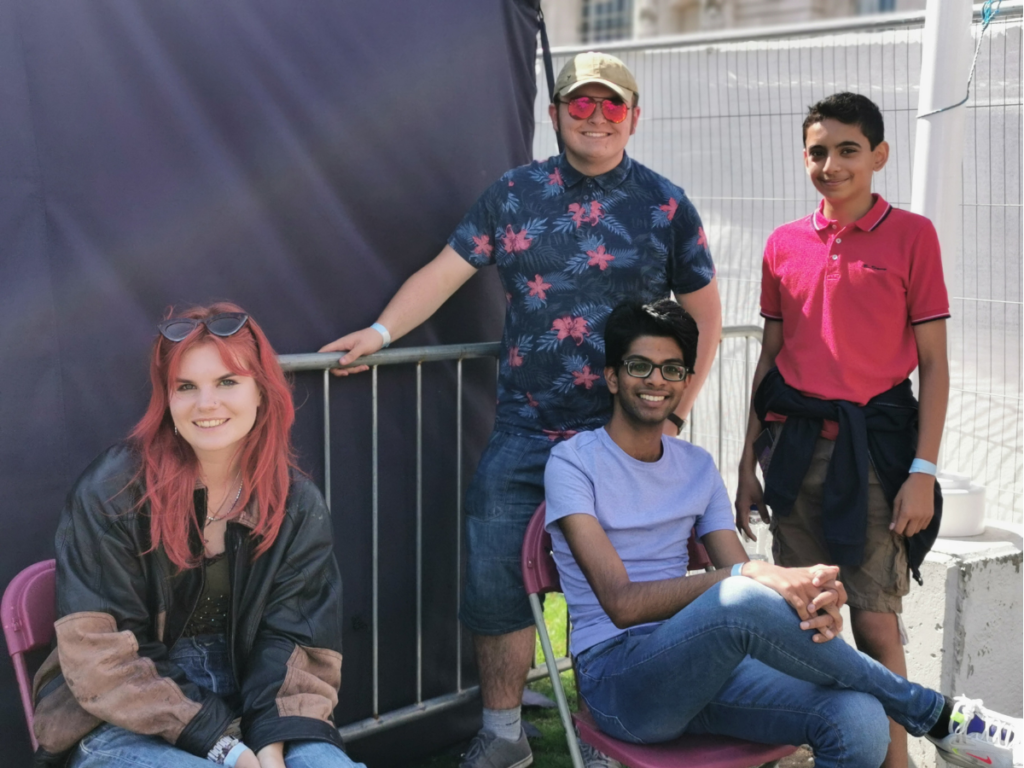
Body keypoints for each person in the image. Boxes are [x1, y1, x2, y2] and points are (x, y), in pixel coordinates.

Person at [319, 52, 722, 768]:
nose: (596, 116)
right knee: (495, 579)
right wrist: (380, 334)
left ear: (634, 116)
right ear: (555, 112)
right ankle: (503, 735)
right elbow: (445, 273)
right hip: (525, 432)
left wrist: (676, 413)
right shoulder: (512, 195)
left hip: (621, 442)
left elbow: (705, 315)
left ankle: (610, 732)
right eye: (581, 102)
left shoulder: (665, 205)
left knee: (615, 592)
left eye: (612, 104)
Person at [545, 298, 1020, 768]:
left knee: (859, 721)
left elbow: (742, 577)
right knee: (740, 593)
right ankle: (932, 713)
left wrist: (808, 604)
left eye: (672, 370)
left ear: (687, 382)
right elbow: (622, 602)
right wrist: (749, 575)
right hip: (620, 682)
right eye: (639, 366)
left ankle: (923, 713)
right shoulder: (573, 463)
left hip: (704, 672)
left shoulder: (697, 468)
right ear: (612, 376)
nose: (656, 380)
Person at [31, 304, 364, 768]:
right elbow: (104, 660)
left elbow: (297, 647)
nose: (207, 403)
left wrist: (269, 747)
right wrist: (227, 750)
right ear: (166, 399)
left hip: (256, 706)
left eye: (228, 382)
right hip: (121, 716)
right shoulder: (113, 491)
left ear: (262, 392)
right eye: (186, 387)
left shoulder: (297, 504)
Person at [734, 92, 951, 768]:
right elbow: (769, 358)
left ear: (878, 155)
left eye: (847, 149)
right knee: (805, 620)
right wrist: (745, 462)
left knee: (877, 620)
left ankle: (896, 762)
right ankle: (823, 750)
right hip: (792, 452)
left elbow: (937, 366)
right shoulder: (782, 244)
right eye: (818, 151)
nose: (831, 164)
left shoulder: (914, 236)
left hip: (878, 458)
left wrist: (924, 472)